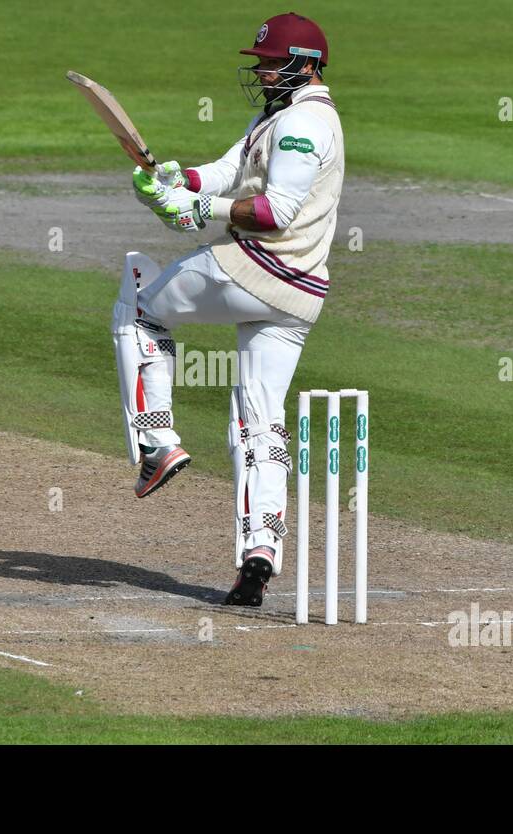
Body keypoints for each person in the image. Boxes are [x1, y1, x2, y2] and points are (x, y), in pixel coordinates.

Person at [112, 12, 344, 607]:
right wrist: (180, 178)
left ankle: (155, 442)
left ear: (308, 65)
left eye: (273, 62)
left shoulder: (304, 126)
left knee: (141, 303)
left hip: (258, 270)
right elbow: (230, 171)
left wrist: (195, 213)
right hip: (300, 295)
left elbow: (273, 213)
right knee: (257, 417)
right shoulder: (280, 115)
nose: (262, 70)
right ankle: (259, 554)